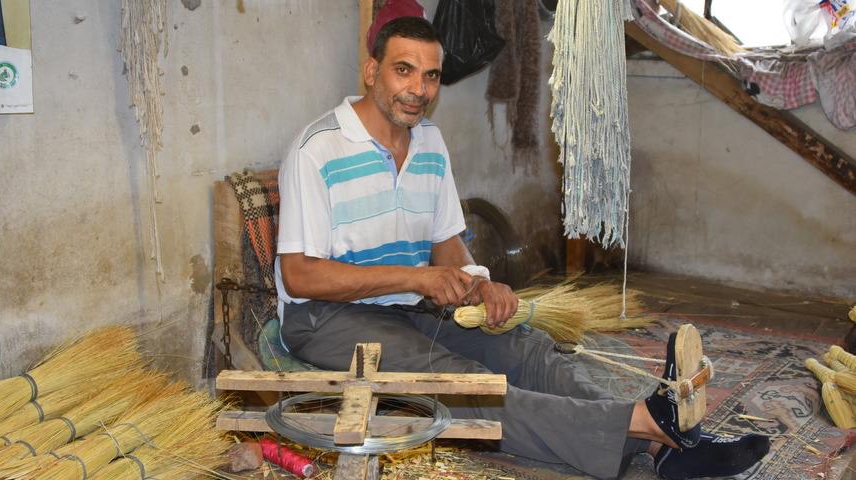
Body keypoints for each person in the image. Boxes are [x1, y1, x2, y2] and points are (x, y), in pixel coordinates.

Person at [273, 12, 769, 480]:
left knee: (523, 349)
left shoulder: (428, 142)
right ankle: (649, 425)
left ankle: (660, 442)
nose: (418, 89)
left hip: (405, 307)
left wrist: (481, 286)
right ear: (371, 71)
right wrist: (415, 278)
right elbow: (300, 275)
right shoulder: (318, 149)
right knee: (464, 380)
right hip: (324, 318)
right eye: (404, 71)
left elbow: (447, 241)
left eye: (429, 76)